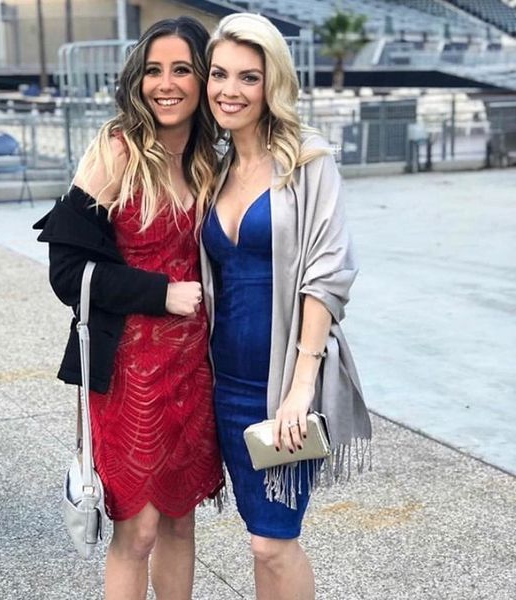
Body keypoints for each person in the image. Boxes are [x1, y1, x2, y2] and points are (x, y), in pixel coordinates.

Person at [33, 17, 224, 600]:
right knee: (137, 531)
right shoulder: (117, 151)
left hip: (196, 372)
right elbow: (66, 272)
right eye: (153, 70)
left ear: (203, 80)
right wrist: (159, 292)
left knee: (180, 522)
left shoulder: (210, 161)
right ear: (137, 79)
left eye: (182, 69)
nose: (165, 84)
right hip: (128, 375)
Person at [200, 13, 372, 599]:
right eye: (219, 74)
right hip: (224, 383)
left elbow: (328, 274)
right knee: (260, 534)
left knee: (273, 542)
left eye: (248, 77)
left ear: (272, 82)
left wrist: (301, 386)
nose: (230, 90)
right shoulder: (215, 167)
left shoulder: (307, 160)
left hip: (282, 382)